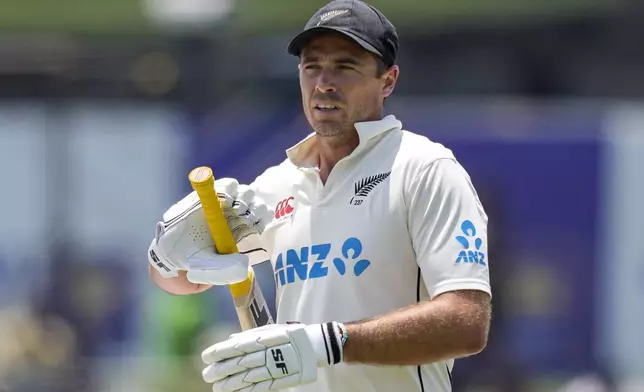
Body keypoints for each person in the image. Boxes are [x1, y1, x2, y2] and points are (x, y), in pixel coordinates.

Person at [147, 0, 492, 391]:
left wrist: (327, 343)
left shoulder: (425, 168)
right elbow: (175, 279)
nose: (323, 82)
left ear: (388, 80)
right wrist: (166, 256)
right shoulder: (277, 185)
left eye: (344, 67)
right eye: (312, 66)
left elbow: (466, 324)